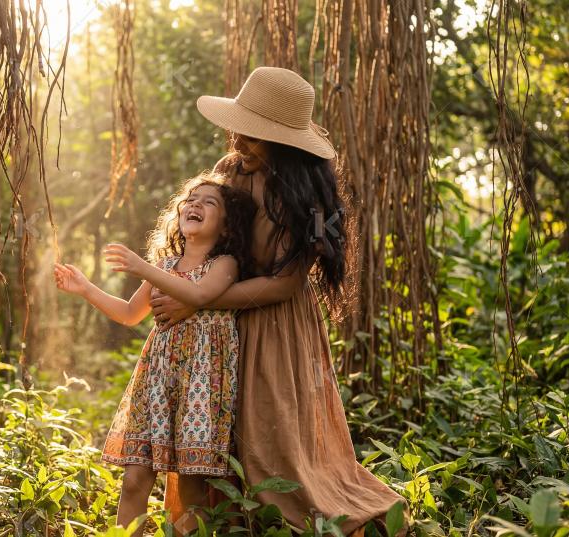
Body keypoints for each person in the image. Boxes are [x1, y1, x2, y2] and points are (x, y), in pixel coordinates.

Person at [152, 67, 410, 536]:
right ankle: (217, 520)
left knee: (269, 431)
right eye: (242, 131)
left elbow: (285, 285)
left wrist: (200, 301)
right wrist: (189, 291)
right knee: (213, 423)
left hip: (275, 324)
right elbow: (206, 237)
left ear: (285, 143)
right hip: (220, 323)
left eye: (256, 137)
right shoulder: (230, 172)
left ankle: (279, 516)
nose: (242, 143)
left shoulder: (308, 198)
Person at [53, 173, 257, 535]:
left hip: (201, 386)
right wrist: (85, 288)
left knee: (192, 485)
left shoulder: (225, 264)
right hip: (157, 382)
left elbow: (197, 296)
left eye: (209, 202)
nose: (195, 204)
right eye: (191, 198)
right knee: (135, 478)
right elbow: (130, 314)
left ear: (226, 226)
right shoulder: (165, 267)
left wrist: (139, 265)